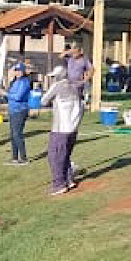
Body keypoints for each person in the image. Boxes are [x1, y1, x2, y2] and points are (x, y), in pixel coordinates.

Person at [42, 66, 85, 196]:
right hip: (73, 128)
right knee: (65, 155)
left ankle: (59, 184)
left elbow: (43, 101)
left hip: (60, 128)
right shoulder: (75, 87)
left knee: (55, 156)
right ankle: (69, 179)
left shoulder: (57, 86)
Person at [3, 63, 34, 165]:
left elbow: (18, 97)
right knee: (13, 134)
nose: (17, 72)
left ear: (23, 71)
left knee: (17, 134)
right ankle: (14, 157)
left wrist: (6, 94)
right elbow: (12, 94)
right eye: (16, 70)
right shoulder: (15, 81)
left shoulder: (25, 82)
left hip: (20, 110)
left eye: (19, 70)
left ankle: (24, 158)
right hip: (13, 110)